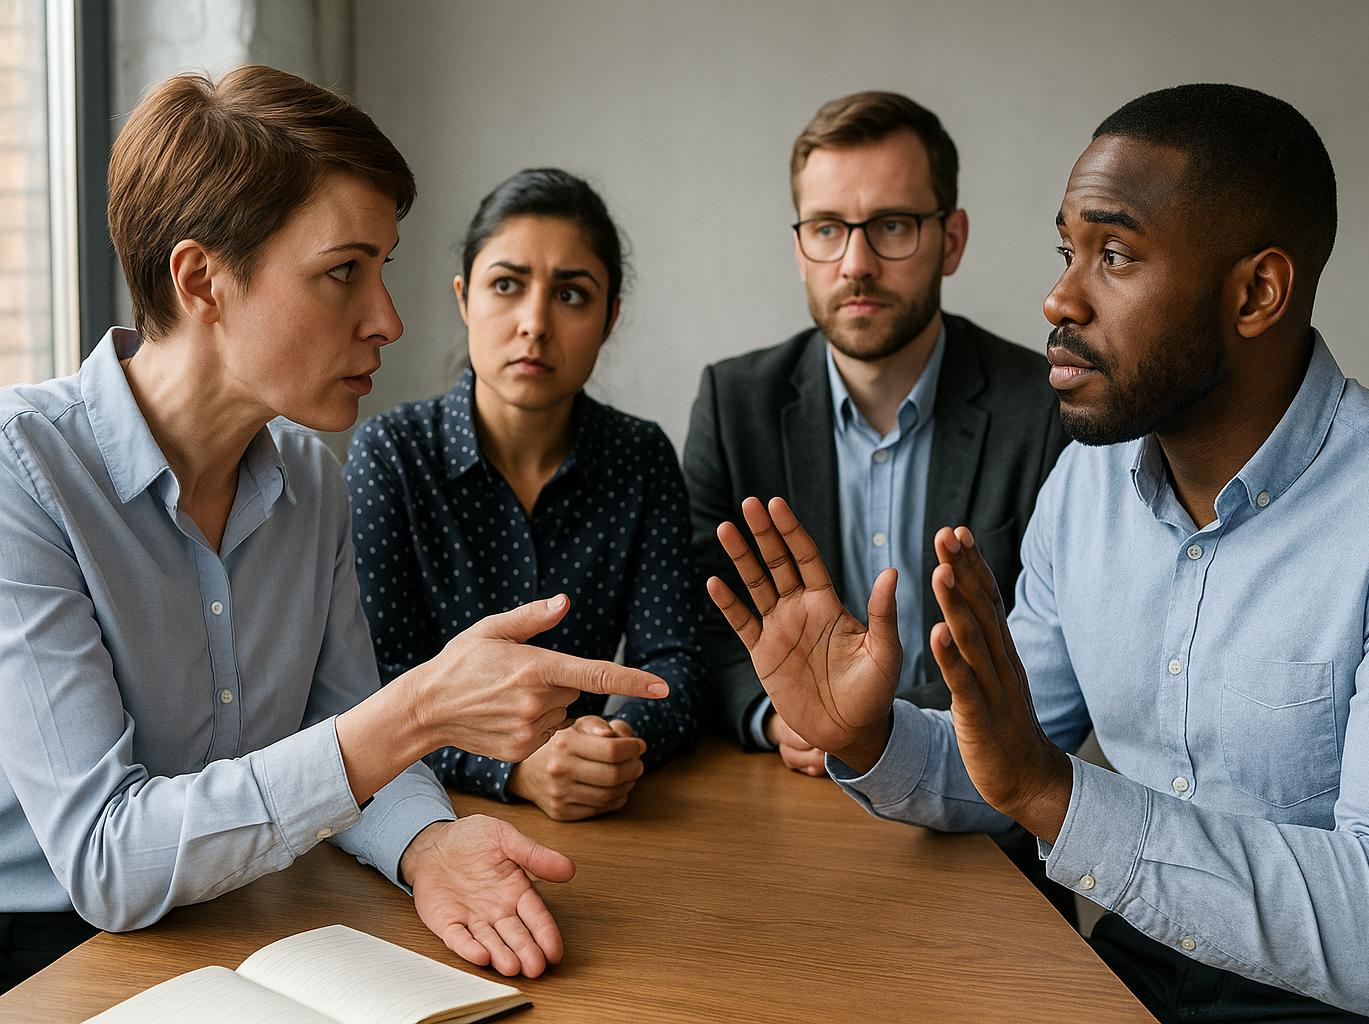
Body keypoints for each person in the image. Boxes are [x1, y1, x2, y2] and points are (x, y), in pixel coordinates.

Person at [708, 84, 1369, 1022]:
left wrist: (1055, 794)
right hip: (1144, 968)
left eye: (1114, 255)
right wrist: (867, 735)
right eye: (1067, 251)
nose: (1059, 297)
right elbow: (1004, 765)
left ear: (1257, 291)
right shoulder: (1086, 486)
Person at [0, 66, 667, 993]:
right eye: (343, 272)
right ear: (202, 280)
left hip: (249, 920)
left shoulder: (309, 478)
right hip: (47, 953)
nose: (388, 319)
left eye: (384, 269)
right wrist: (420, 707)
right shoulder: (20, 474)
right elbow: (109, 860)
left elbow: (337, 728)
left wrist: (428, 844)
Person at [684, 90, 1067, 775]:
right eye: (827, 228)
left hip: (984, 812)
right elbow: (700, 617)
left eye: (891, 226)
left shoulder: (1042, 410)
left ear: (951, 241)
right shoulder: (732, 401)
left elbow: (1053, 657)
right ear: (800, 248)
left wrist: (867, 730)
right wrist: (778, 714)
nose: (855, 263)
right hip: (788, 797)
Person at [346, 169, 705, 822]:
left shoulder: (639, 456)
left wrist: (617, 744)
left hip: (609, 814)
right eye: (506, 286)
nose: (534, 324)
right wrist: (512, 768)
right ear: (464, 297)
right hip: (423, 817)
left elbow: (673, 659)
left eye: (572, 295)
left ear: (609, 318)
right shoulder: (391, 455)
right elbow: (371, 689)